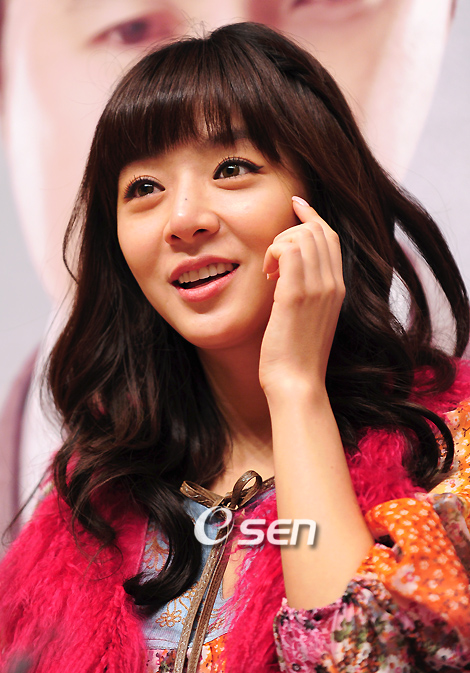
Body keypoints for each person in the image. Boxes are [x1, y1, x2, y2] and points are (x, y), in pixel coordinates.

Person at [2, 20, 470, 673]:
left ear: (319, 200)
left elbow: (367, 661)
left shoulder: (449, 449)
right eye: (144, 188)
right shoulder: (91, 503)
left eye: (232, 169)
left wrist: (297, 389)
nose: (183, 220)